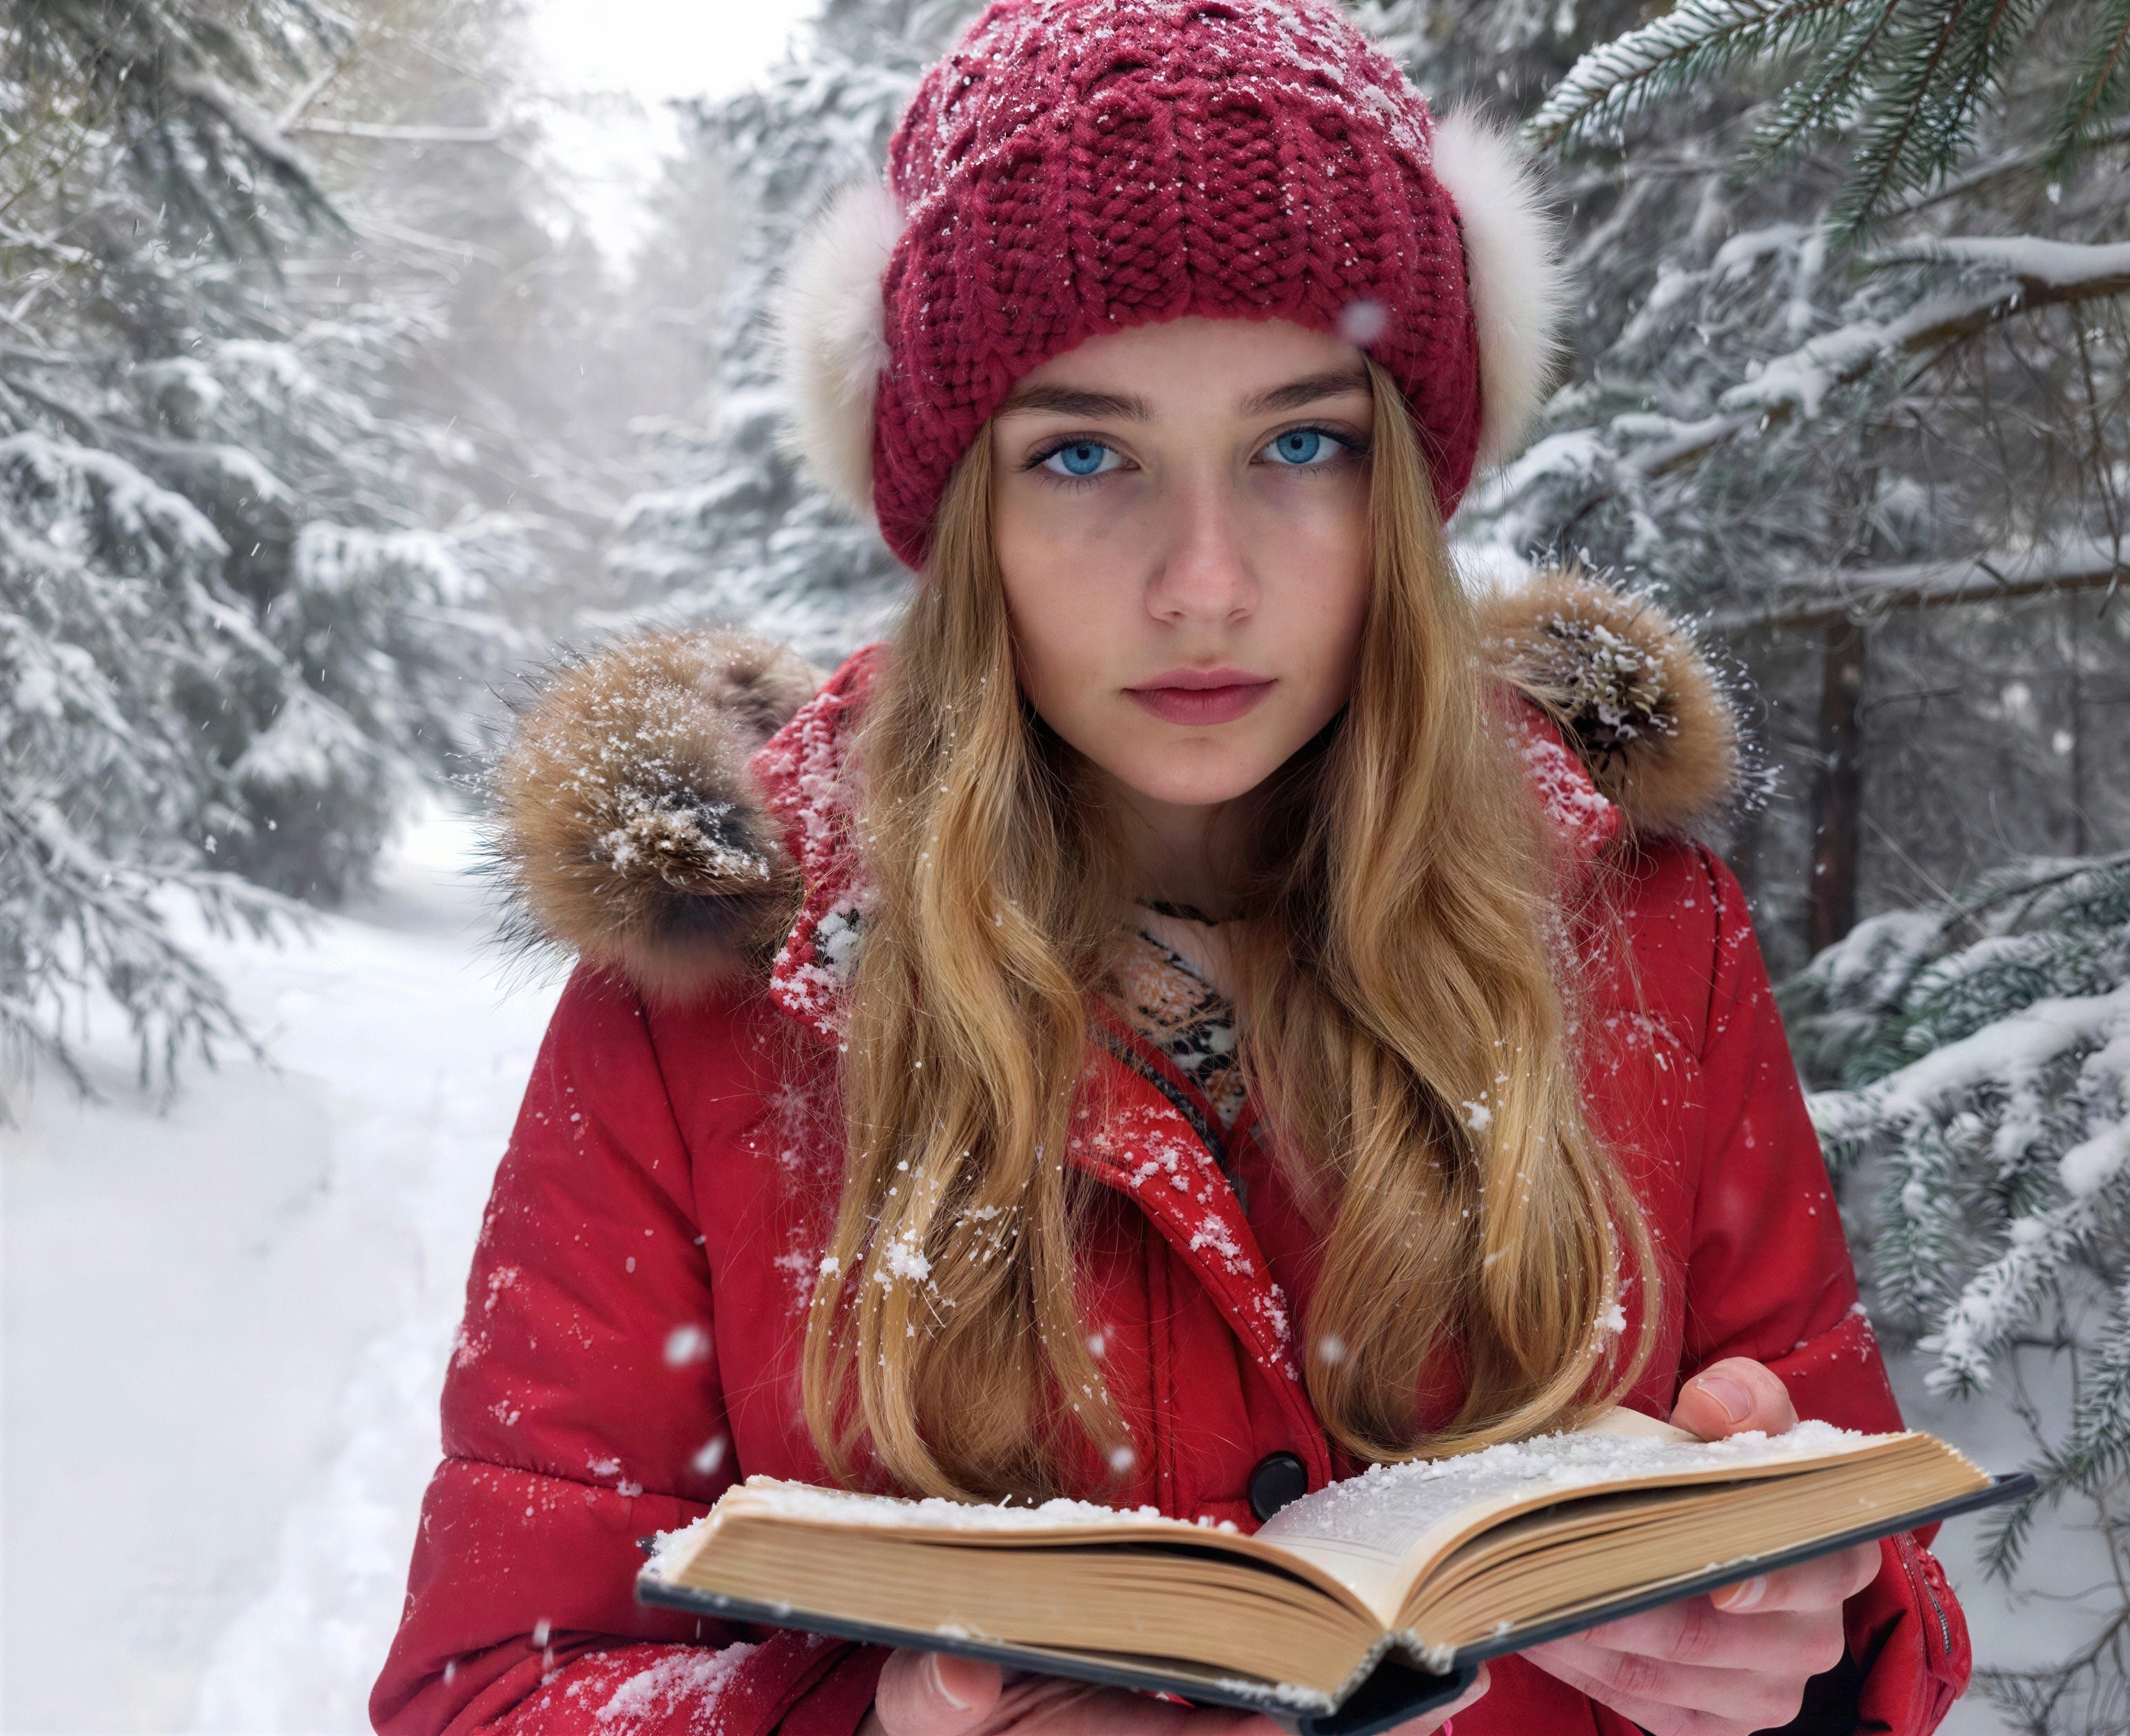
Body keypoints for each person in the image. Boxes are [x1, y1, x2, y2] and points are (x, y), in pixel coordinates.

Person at [371, 2, 1971, 1733]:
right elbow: (497, 1692)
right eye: (1084, 455)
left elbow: (1862, 1581)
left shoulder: (1644, 933)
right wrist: (872, 1724)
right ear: (958, 509)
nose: (1202, 583)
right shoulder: (714, 997)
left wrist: (1799, 1651)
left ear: (1409, 487)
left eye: (1303, 444)